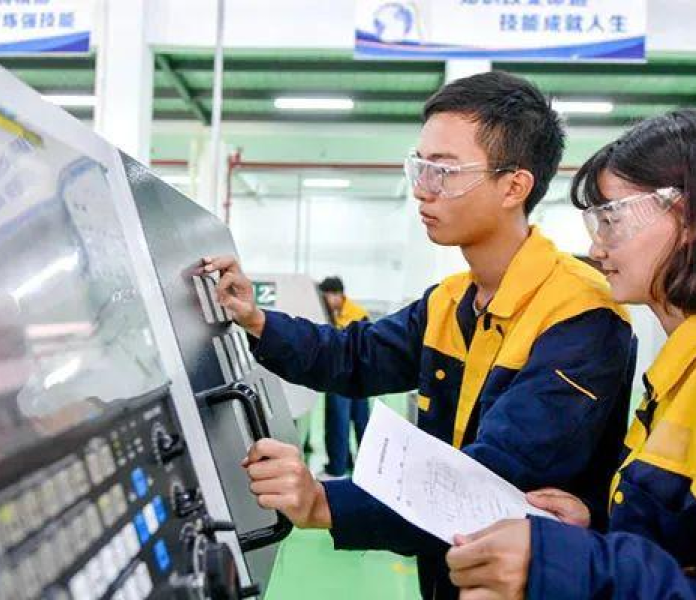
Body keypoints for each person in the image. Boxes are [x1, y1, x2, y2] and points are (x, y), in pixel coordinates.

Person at [203, 71, 636, 599]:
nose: (421, 189)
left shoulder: (582, 314)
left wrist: (321, 501)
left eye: (444, 172)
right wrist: (255, 319)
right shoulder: (451, 300)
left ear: (514, 186)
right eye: (420, 166)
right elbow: (355, 356)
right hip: (451, 575)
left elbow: (489, 480)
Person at [445, 109, 696, 599]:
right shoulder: (674, 376)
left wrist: (563, 564)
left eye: (613, 220)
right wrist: (595, 525)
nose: (597, 248)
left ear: (685, 218)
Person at [317, 276, 370, 480]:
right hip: (351, 377)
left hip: (346, 377)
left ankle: (338, 470)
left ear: (337, 295)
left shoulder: (357, 315)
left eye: (327, 297)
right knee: (350, 422)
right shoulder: (333, 313)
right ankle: (346, 464)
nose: (326, 301)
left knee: (341, 422)